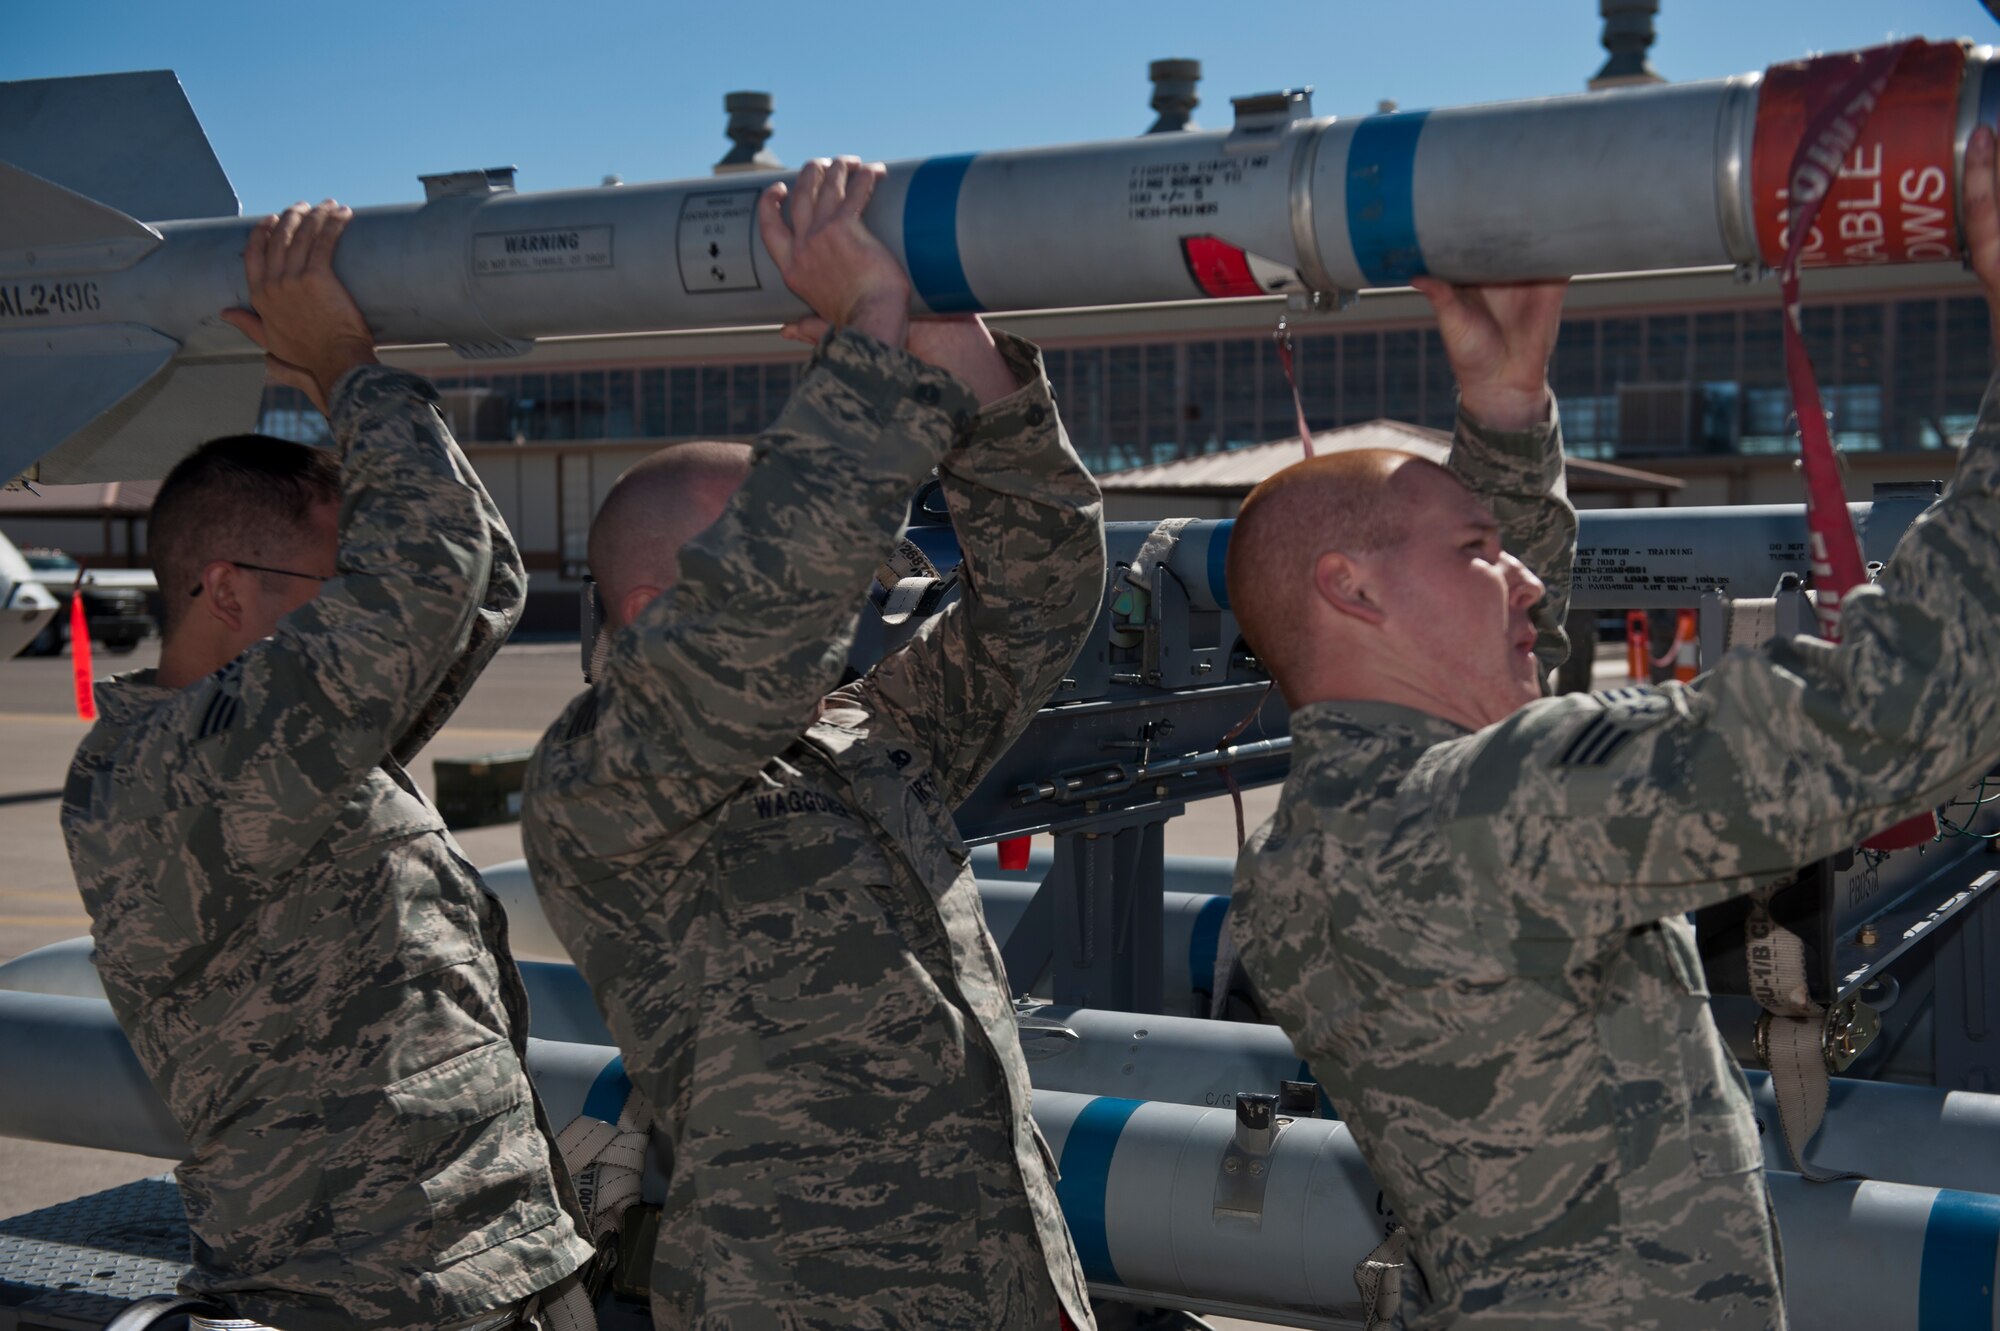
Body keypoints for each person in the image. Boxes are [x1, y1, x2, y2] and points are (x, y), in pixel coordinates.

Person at [1225, 126, 2000, 1330]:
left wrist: (1502, 413)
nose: (1523, 582)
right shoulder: (1494, 806)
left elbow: (1476, 694)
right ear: (1350, 590)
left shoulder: (1309, 853)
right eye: (1477, 554)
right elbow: (1905, 713)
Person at [521, 156, 1102, 1330]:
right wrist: (870, 343)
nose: (844, 604)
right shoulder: (604, 784)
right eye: (812, 575)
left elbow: (1040, 592)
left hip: (1010, 1289)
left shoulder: (860, 737)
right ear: (655, 606)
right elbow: (756, 626)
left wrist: (958, 356)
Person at [63, 202, 594, 1331]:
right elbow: (424, 570)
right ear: (225, 587)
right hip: (364, 1296)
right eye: (329, 579)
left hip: (469, 1270)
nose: (353, 609)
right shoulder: (188, 762)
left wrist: (337, 399)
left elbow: (474, 582)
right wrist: (346, 368)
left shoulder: (279, 743)